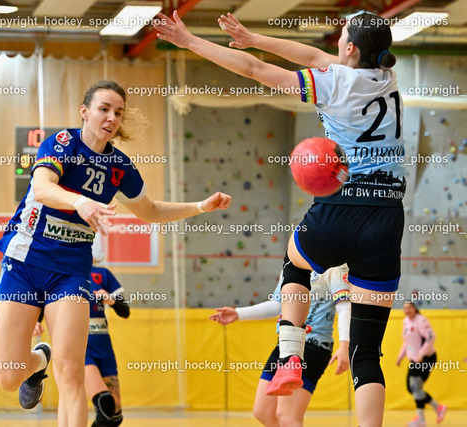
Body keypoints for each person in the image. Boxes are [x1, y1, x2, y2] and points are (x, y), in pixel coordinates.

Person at [155, 10, 404, 427]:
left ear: (349, 48)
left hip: (340, 205)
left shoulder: (334, 82)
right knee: (366, 352)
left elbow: (256, 72)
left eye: (341, 36)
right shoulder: (387, 79)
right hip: (387, 219)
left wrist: (192, 42)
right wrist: (256, 38)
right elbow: (313, 57)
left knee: (296, 264)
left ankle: (290, 355)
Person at [0, 79, 231, 427]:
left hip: (71, 275)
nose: (111, 117)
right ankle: (39, 360)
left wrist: (199, 206)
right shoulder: (62, 143)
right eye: (104, 109)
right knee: (8, 377)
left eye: (118, 112)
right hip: (24, 263)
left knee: (73, 371)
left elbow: (148, 211)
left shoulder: (120, 166)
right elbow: (42, 188)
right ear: (85, 111)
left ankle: (54, 366)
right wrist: (81, 202)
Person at [210, 265, 351, 427]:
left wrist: (344, 345)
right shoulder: (292, 265)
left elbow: (344, 306)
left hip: (312, 345)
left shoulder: (334, 268)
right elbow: (277, 304)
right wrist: (239, 313)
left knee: (287, 416)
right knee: (263, 411)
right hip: (285, 345)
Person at [85, 265, 129, 427]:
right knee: (105, 404)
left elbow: (125, 311)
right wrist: (35, 322)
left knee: (115, 416)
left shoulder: (102, 274)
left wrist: (111, 300)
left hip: (103, 345)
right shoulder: (65, 270)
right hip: (81, 346)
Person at [396, 301, 447, 427]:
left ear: (414, 308)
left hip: (426, 358)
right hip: (414, 359)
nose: (407, 310)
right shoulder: (406, 321)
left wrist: (421, 354)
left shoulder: (421, 320)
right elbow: (407, 341)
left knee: (415, 387)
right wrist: (400, 356)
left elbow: (431, 337)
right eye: (404, 308)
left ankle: (421, 419)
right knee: (411, 388)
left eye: (409, 307)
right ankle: (438, 407)